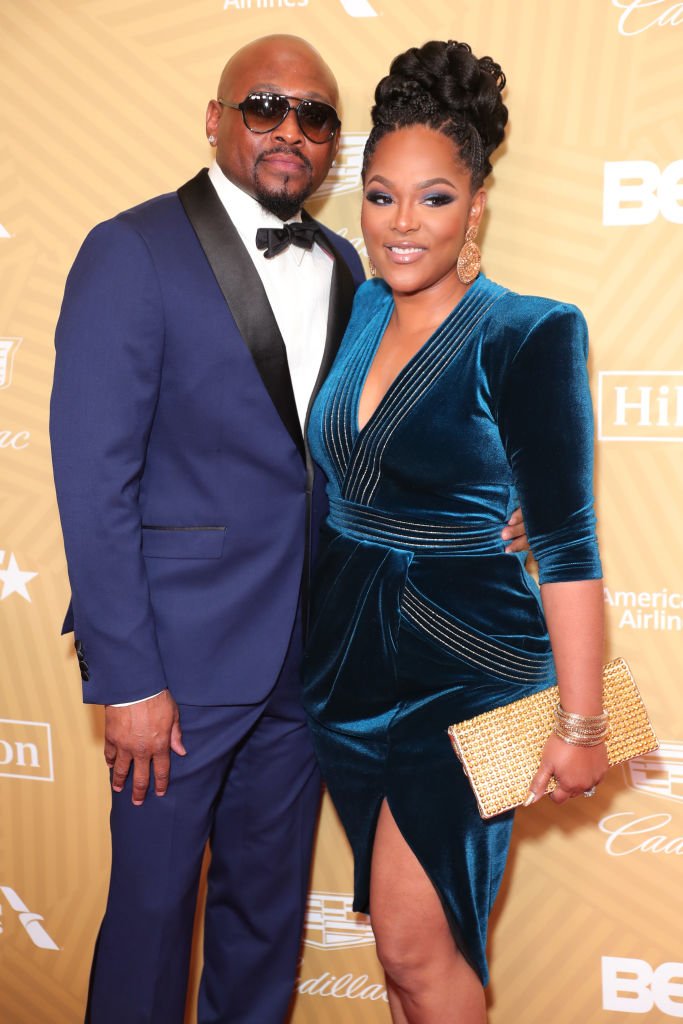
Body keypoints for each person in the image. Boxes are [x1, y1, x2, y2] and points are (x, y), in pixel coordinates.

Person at [50, 33, 528, 1024]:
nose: (289, 132)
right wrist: (127, 676)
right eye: (263, 106)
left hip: (310, 657)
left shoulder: (351, 263)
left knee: (264, 916)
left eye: (314, 117)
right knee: (148, 915)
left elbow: (374, 441)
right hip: (172, 670)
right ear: (217, 119)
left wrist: (504, 505)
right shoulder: (130, 250)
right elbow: (93, 482)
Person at [302, 39, 608, 1024]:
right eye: (381, 194)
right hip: (348, 659)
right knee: (406, 959)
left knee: (411, 936)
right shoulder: (357, 309)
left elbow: (563, 541)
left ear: (475, 202)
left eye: (432, 197)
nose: (400, 223)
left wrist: (581, 720)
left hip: (479, 667)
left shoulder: (528, 331)